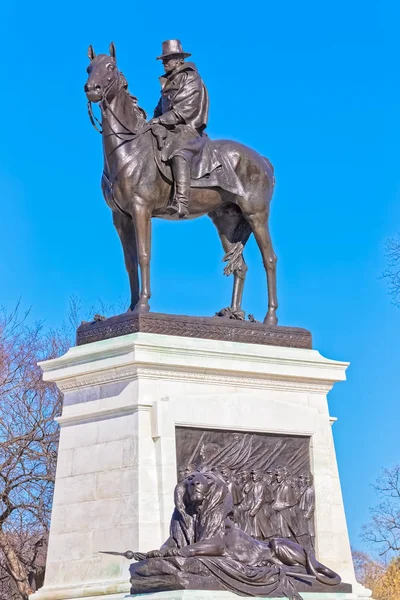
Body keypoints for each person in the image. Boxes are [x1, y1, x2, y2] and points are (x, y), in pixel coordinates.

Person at [150, 40, 210, 218]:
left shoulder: (191, 78)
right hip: (169, 127)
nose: (164, 63)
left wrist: (161, 120)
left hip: (187, 128)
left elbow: (185, 109)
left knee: (179, 151)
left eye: (167, 59)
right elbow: (159, 108)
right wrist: (151, 123)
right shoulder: (169, 82)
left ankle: (182, 201)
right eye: (163, 59)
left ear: (178, 60)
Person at [272, 466, 299, 541]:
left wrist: (278, 507)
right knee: (280, 532)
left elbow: (289, 503)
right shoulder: (279, 486)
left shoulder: (286, 487)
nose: (277, 477)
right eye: (276, 476)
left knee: (285, 533)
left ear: (283, 477)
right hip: (279, 513)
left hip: (284, 514)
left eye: (279, 476)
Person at [296, 473, 316, 552]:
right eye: (301, 479)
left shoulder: (311, 490)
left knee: (310, 531)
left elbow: (312, 505)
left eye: (307, 479)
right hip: (300, 512)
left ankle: (312, 547)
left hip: (306, 513)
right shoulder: (302, 489)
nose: (302, 481)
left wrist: (308, 515)